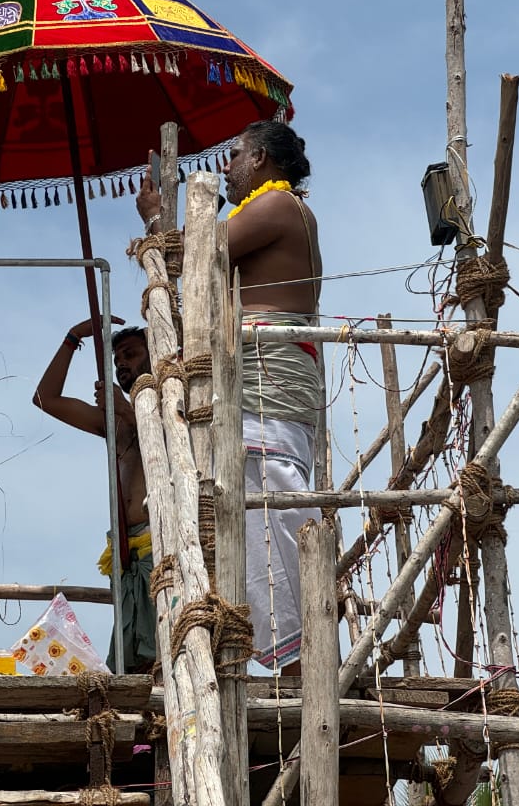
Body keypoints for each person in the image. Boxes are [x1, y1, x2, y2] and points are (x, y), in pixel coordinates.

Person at [137, 121, 322, 674]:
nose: (226, 166)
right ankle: (279, 668)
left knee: (271, 516)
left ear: (262, 157)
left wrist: (155, 221)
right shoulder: (270, 209)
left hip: (267, 383)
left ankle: (300, 677)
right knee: (247, 514)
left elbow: (197, 256)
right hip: (253, 381)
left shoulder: (280, 206)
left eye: (235, 154)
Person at [32, 317, 156, 672]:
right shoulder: (112, 423)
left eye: (130, 355)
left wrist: (126, 410)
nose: (122, 365)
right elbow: (45, 398)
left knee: (163, 649)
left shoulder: (175, 405)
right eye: (117, 360)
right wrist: (73, 337)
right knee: (131, 658)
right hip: (126, 552)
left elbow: (166, 443)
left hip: (161, 545)